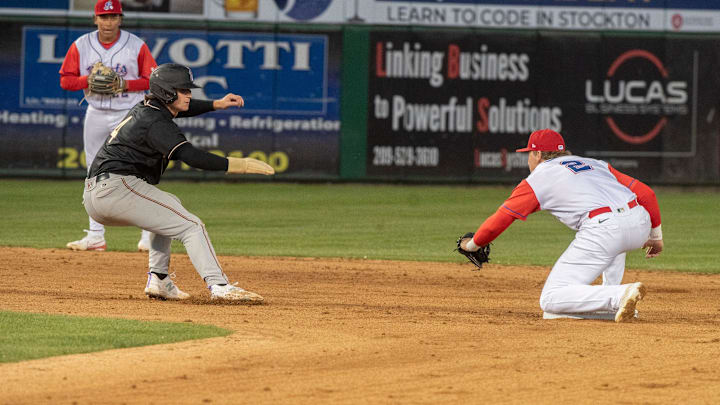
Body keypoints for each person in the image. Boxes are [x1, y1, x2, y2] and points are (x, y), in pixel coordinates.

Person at [82, 63, 275, 302]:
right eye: (183, 90)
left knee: (170, 207)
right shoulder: (156, 123)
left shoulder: (148, 108)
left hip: (99, 192)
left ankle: (159, 280)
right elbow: (191, 156)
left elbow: (183, 108)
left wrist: (217, 104)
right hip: (117, 188)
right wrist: (239, 165)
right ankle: (220, 285)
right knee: (191, 225)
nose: (189, 95)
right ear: (166, 92)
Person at [459, 129, 663, 322]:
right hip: (639, 222)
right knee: (614, 236)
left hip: (606, 228)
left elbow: (502, 218)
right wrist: (656, 237)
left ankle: (617, 295)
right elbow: (647, 194)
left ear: (538, 154)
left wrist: (472, 245)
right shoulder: (595, 164)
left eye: (529, 153)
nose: (529, 159)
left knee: (551, 298)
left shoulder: (539, 178)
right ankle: (611, 303)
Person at [59, 0, 157, 252]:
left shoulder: (136, 45)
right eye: (104, 17)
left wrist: (126, 85)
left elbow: (153, 79)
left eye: (113, 16)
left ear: (120, 19)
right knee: (93, 171)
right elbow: (66, 81)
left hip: (128, 112)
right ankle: (95, 236)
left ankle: (147, 236)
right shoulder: (81, 45)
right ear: (95, 19)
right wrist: (87, 79)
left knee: (136, 169)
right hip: (96, 112)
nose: (108, 21)